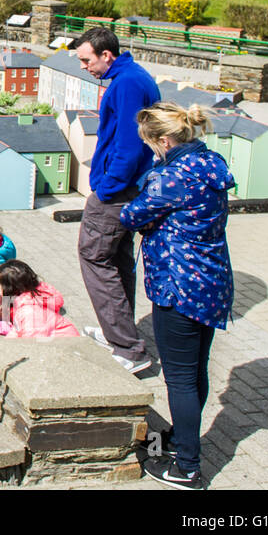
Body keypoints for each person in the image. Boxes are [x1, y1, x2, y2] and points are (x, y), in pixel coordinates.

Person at [120, 102, 234, 491]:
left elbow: (131, 215)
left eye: (152, 144)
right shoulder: (211, 162)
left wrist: (150, 206)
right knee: (196, 370)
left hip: (178, 286)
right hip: (212, 282)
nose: (151, 151)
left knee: (180, 379)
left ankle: (187, 467)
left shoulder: (171, 177)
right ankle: (183, 437)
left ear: (165, 140)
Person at [72, 26, 160, 373]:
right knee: (118, 260)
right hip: (128, 190)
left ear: (106, 55)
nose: (83, 66)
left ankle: (129, 348)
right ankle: (119, 335)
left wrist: (106, 189)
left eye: (86, 59)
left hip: (116, 192)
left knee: (94, 258)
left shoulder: (126, 85)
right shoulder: (135, 77)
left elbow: (129, 144)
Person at [0, 260, 80, 339]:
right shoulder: (28, 300)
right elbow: (17, 330)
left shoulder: (31, 312)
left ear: (10, 290)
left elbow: (32, 344)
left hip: (66, 349)